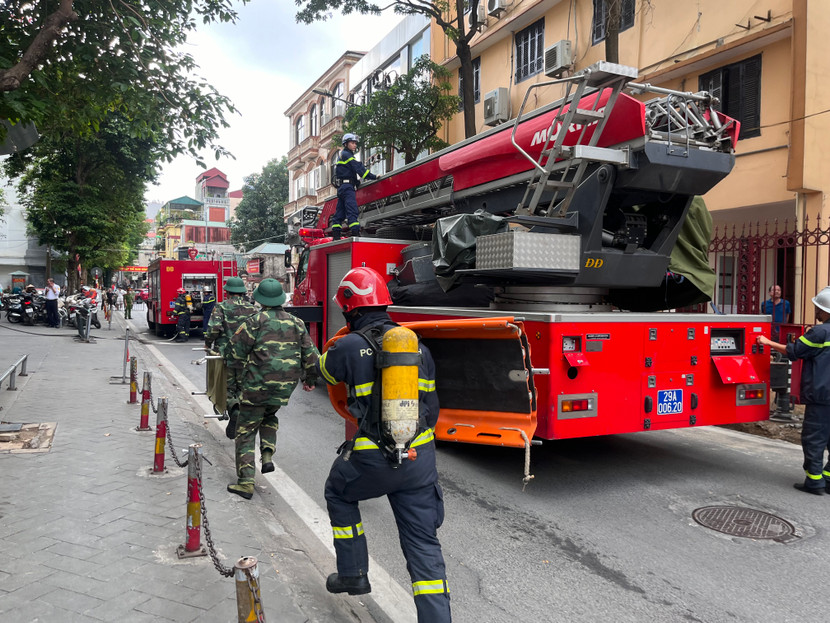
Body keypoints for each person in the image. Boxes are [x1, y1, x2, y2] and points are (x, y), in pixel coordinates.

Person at [317, 267, 451, 622]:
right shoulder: (419, 348)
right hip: (419, 459)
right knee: (424, 547)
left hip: (372, 459)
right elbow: (432, 410)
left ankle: (353, 573)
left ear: (349, 307)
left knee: (338, 493)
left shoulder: (347, 346)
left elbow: (325, 374)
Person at [226, 278, 318, 499]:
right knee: (269, 416)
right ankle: (267, 455)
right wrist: (310, 380)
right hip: (284, 388)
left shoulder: (254, 322)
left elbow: (234, 355)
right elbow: (312, 357)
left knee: (245, 431)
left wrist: (237, 379)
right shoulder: (297, 323)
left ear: (260, 299)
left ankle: (246, 482)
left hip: (257, 386)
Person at [758, 286, 830, 495]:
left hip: (821, 395)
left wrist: (766, 342)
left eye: (818, 309)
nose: (816, 313)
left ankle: (814, 482)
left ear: (826, 312)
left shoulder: (819, 332)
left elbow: (794, 351)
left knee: (814, 439)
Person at [204, 277, 257, 439]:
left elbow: (214, 329)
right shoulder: (252, 309)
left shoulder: (221, 306)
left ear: (227, 292)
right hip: (246, 356)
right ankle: (241, 414)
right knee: (243, 387)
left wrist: (208, 343)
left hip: (224, 355)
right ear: (242, 292)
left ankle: (233, 409)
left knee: (225, 387)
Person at [331, 133, 377, 240]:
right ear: (346, 144)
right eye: (352, 143)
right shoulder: (348, 155)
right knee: (352, 210)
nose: (355, 145)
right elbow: (358, 169)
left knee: (340, 212)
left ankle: (336, 235)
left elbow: (348, 171)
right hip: (347, 188)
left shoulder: (342, 155)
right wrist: (373, 176)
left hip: (342, 187)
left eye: (355, 143)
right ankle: (355, 232)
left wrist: (356, 182)